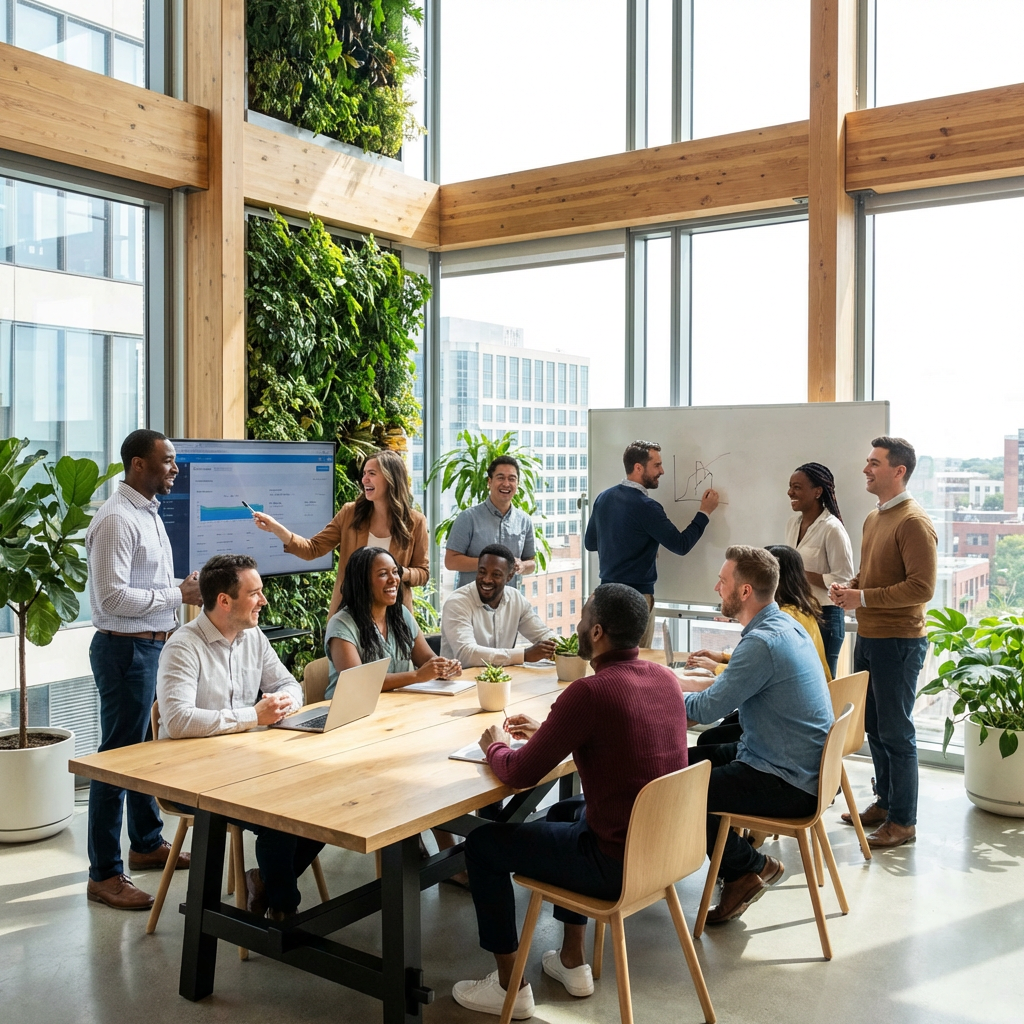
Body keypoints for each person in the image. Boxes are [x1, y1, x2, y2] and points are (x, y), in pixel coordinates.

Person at [452, 584, 689, 1019]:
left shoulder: (589, 693)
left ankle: (509, 987)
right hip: (663, 853)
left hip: (614, 864)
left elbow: (519, 774)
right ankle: (571, 961)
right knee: (564, 810)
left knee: (483, 845)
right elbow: (619, 733)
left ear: (597, 632)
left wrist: (495, 746)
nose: (576, 626)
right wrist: (553, 728)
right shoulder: (665, 679)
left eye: (581, 619)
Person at [156, 554, 325, 919]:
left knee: (323, 800)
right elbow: (178, 719)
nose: (263, 601)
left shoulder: (253, 636)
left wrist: (284, 701)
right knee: (279, 816)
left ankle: (263, 882)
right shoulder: (183, 647)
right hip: (190, 774)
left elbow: (286, 683)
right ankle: (284, 915)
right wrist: (253, 716)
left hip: (246, 761)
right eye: (255, 593)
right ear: (224, 601)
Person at [84, 429, 203, 911]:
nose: (175, 468)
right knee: (116, 761)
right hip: (125, 652)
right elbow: (111, 597)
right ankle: (105, 875)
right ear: (138, 465)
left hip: (150, 647)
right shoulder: (116, 519)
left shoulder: (146, 514)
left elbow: (143, 585)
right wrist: (179, 595)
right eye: (168, 460)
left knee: (145, 753)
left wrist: (180, 587)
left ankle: (147, 842)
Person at [685, 546, 833, 925]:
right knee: (678, 764)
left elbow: (703, 711)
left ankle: (746, 869)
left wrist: (653, 692)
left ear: (745, 591)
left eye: (723, 580)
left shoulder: (761, 642)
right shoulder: (783, 624)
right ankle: (740, 867)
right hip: (793, 761)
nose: (717, 586)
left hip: (786, 779)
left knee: (679, 791)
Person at [830, 437, 937, 850]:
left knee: (896, 731)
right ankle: (886, 802)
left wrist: (865, 598)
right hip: (871, 637)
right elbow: (872, 574)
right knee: (874, 726)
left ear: (899, 471)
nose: (865, 469)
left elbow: (922, 587)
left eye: (874, 463)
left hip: (899, 641)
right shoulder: (875, 518)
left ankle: (903, 822)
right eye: (867, 462)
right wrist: (852, 587)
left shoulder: (913, 521)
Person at [252, 449, 428, 618]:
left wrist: (398, 572)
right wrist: (276, 528)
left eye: (372, 474)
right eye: (364, 473)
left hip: (395, 617)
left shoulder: (415, 522)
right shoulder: (350, 513)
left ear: (391, 479)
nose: (364, 479)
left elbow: (423, 573)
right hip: (351, 615)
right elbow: (313, 549)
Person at [585, 439, 719, 649]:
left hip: (605, 595)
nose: (662, 471)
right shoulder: (647, 507)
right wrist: (705, 512)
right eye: (656, 465)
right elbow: (681, 545)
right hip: (636, 598)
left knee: (610, 658)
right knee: (634, 662)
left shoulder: (603, 498)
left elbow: (590, 543)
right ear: (638, 468)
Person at [325, 546, 461, 696]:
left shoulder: (401, 614)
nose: (393, 580)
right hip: (350, 714)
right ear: (362, 582)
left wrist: (444, 668)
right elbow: (358, 682)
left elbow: (427, 659)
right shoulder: (341, 624)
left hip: (395, 706)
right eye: (383, 574)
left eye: (395, 572)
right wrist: (417, 676)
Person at [689, 544, 833, 684]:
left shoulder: (782, 619)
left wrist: (715, 667)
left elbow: (755, 674)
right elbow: (767, 661)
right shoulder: (803, 609)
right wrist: (722, 657)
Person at [784, 462, 854, 677]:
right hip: (797, 613)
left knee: (824, 686)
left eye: (797, 487)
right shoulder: (792, 524)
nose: (790, 492)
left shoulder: (832, 528)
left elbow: (845, 579)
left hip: (825, 617)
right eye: (789, 486)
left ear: (817, 492)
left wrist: (799, 574)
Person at [441, 544, 557, 667]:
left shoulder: (516, 599)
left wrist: (564, 648)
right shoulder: (457, 602)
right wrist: (524, 655)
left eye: (496, 575)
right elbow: (466, 654)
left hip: (502, 680)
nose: (486, 579)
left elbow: (543, 635)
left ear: (509, 576)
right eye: (482, 572)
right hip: (462, 682)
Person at [445, 456, 536, 590]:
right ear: (489, 482)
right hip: (472, 603)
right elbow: (451, 562)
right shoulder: (468, 518)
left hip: (509, 602)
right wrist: (492, 563)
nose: (506, 484)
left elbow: (531, 563)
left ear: (517, 484)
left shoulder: (525, 521)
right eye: (500, 477)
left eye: (512, 479)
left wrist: (522, 566)